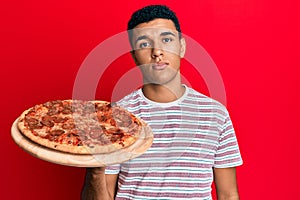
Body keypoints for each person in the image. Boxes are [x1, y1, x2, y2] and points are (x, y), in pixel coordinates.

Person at [81, 5, 242, 200]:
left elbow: (228, 194)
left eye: (166, 40)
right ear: (134, 56)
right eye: (144, 43)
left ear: (181, 47)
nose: (157, 51)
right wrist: (95, 169)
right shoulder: (114, 118)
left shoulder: (215, 114)